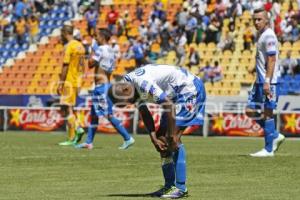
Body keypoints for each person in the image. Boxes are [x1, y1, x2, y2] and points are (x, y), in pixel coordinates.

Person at [108, 64, 206, 198]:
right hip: (174, 97)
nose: (130, 103)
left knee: (173, 138)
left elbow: (169, 106)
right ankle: (169, 187)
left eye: (127, 101)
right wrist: (153, 138)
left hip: (189, 89)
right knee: (161, 139)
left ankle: (181, 188)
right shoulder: (130, 87)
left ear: (125, 90)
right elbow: (144, 112)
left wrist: (171, 135)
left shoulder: (142, 83)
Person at [76, 28, 135, 150]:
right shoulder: (112, 51)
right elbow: (110, 69)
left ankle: (127, 138)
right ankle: (88, 142)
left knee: (108, 114)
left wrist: (92, 50)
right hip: (105, 85)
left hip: (101, 88)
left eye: (97, 36)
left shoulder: (100, 49)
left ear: (102, 37)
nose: (95, 38)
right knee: (94, 115)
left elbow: (90, 64)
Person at [246, 8, 285, 157]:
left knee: (268, 114)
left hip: (269, 82)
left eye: (259, 19)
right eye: (254, 19)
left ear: (267, 20)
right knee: (249, 110)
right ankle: (274, 135)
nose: (256, 22)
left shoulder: (269, 36)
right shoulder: (262, 35)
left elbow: (272, 59)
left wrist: (267, 81)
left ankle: (268, 149)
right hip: (259, 81)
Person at [57, 25, 85, 146]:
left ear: (64, 33)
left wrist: (61, 82)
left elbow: (65, 65)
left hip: (69, 80)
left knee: (66, 108)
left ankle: (76, 131)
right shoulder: (80, 46)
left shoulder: (69, 47)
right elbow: (83, 66)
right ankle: (74, 136)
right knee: (71, 108)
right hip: (77, 80)